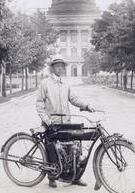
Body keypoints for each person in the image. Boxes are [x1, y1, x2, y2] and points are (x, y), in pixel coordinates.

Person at [36, 54, 95, 188]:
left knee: (72, 149)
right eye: (57, 66)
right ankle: (51, 177)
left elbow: (73, 99)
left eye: (61, 66)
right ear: (52, 68)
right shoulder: (45, 83)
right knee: (52, 150)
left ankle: (75, 177)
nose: (59, 68)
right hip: (52, 123)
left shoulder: (65, 84)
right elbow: (39, 105)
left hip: (66, 122)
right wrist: (46, 120)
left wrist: (86, 105)